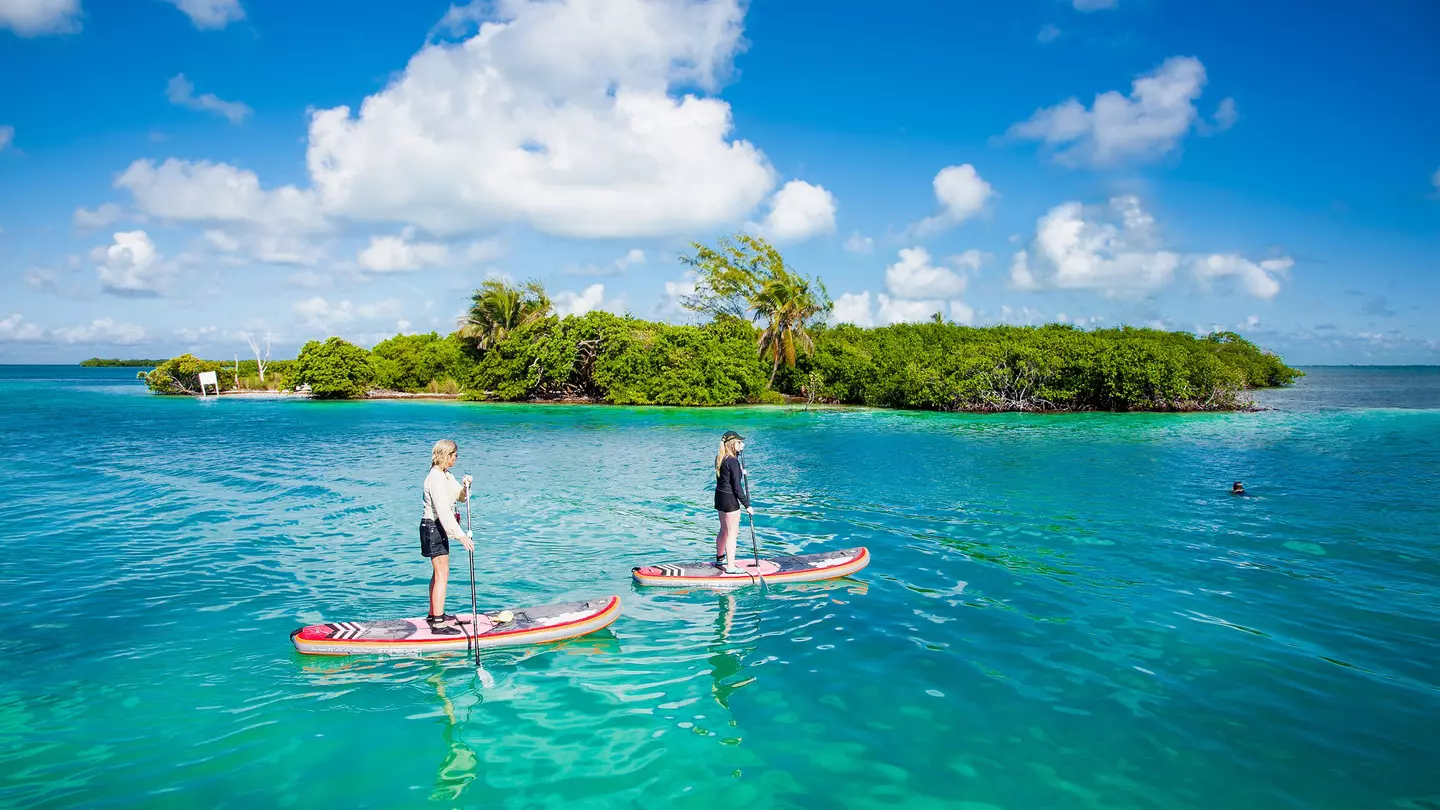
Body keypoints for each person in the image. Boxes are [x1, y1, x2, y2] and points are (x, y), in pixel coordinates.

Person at [421, 439, 474, 634]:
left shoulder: (446, 475)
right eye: (454, 455)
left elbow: (460, 497)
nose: (456, 459)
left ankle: (433, 613)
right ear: (446, 455)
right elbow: (442, 510)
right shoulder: (434, 478)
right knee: (442, 573)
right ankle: (438, 623)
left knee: (439, 573)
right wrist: (460, 536)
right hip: (433, 527)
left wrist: (466, 485)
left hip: (439, 527)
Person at [713, 430, 753, 574]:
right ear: (732, 444)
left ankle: (719, 558)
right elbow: (737, 487)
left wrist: (740, 470)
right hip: (730, 501)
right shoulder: (733, 461)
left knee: (724, 529)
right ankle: (730, 567)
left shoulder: (720, 458)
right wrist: (747, 505)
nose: (742, 445)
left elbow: (724, 480)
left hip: (720, 497)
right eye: (739, 442)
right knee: (732, 533)